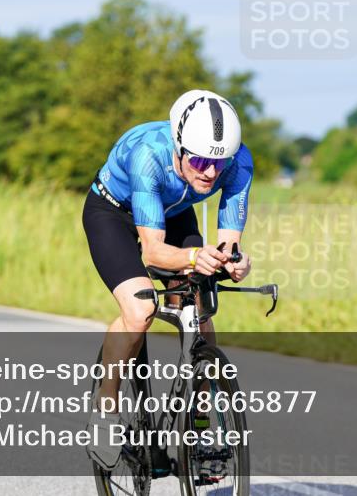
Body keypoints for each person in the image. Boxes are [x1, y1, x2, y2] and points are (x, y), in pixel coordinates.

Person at [82, 89, 254, 469]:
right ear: (179, 147)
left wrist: (233, 262)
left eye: (219, 161)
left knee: (199, 307)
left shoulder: (239, 162)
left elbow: (229, 244)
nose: (210, 171)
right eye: (199, 159)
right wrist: (194, 256)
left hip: (174, 214)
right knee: (141, 308)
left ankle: (201, 427)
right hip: (114, 213)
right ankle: (105, 412)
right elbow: (154, 253)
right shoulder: (149, 156)